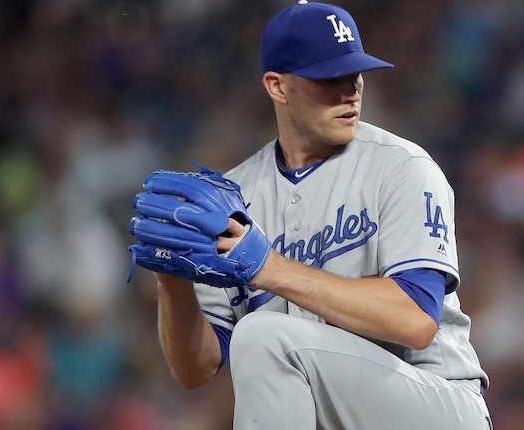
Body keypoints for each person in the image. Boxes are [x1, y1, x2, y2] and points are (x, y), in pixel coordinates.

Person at [152, 1, 492, 429]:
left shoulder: (402, 167)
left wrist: (270, 268)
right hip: (335, 413)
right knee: (260, 341)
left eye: (355, 74)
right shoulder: (236, 196)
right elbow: (197, 369)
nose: (350, 90)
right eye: (329, 78)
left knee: (263, 334)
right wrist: (172, 283)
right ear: (278, 87)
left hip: (436, 400)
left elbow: (415, 320)